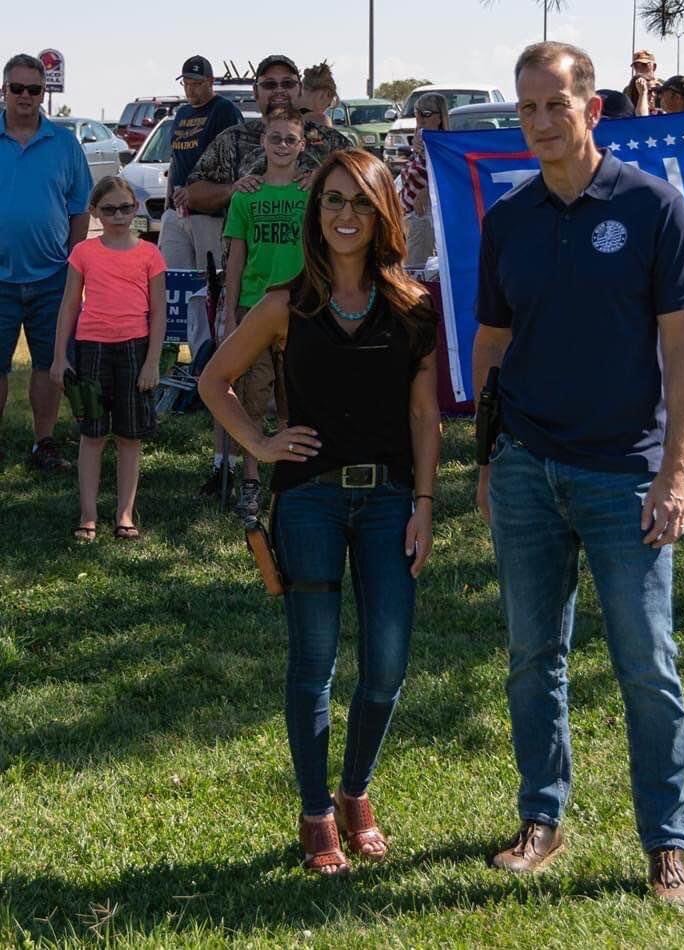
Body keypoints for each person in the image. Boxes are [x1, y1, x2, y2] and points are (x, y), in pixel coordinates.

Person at [474, 41, 684, 904]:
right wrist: (488, 459)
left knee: (647, 664)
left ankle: (667, 843)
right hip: (527, 468)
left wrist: (676, 473)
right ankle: (542, 817)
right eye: (527, 108)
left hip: (625, 475)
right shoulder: (509, 219)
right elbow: (491, 344)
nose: (540, 123)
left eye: (556, 106)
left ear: (593, 108)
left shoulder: (652, 206)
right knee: (532, 657)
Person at [198, 148, 440, 876]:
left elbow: (424, 414)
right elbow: (214, 380)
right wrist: (262, 444)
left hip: (391, 499)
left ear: (383, 212)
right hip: (307, 500)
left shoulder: (413, 305)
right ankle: (315, 812)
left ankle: (354, 791)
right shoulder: (285, 304)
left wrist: (425, 502)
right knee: (313, 663)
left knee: (387, 665)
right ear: (316, 212)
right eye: (333, 200)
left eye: (360, 201)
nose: (345, 214)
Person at [186, 54, 350, 496]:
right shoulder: (234, 140)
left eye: (287, 83)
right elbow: (193, 191)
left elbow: (367, 185)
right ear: (256, 91)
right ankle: (236, 470)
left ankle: (305, 470)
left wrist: (325, 182)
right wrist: (231, 189)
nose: (278, 91)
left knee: (302, 391)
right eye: (269, 84)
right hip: (252, 296)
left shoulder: (331, 144)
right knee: (248, 390)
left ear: (300, 90)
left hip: (308, 299)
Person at [49, 177, 166, 541]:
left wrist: (152, 361)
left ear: (136, 208)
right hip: (92, 349)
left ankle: (125, 514)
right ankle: (88, 515)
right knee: (93, 434)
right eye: (109, 209)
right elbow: (69, 306)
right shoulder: (83, 253)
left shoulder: (150, 254)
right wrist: (59, 357)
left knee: (130, 437)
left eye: (125, 208)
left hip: (135, 349)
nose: (118, 216)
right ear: (94, 212)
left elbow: (158, 312)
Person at [0, 53, 92, 471]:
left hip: (52, 276)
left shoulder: (64, 144)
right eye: (17, 88)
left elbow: (79, 208)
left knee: (48, 364)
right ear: (4, 90)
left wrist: (74, 264)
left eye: (33, 89)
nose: (25, 95)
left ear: (43, 93)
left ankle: (44, 443)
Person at [222, 106, 309, 521]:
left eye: (291, 139)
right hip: (254, 306)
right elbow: (236, 259)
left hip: (301, 307)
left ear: (302, 145)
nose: (282, 146)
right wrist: (229, 313)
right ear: (263, 141)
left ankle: (293, 477)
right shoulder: (246, 195)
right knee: (252, 397)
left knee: (296, 395)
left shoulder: (311, 193)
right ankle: (251, 479)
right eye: (275, 138)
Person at [159, 55, 242, 354]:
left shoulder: (224, 110)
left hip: (209, 213)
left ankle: (213, 353)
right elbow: (175, 159)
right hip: (177, 212)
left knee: (210, 285)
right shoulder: (181, 114)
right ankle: (181, 353)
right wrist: (169, 202)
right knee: (174, 283)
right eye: (186, 83)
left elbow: (233, 159)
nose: (191, 89)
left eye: (197, 83)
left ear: (210, 81)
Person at [399, 93, 449, 268]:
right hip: (409, 218)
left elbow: (445, 176)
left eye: (426, 114)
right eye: (417, 113)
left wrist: (427, 190)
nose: (419, 118)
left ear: (440, 117)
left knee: (414, 271)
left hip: (422, 219)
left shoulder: (443, 146)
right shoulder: (421, 140)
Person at [298, 62, 338, 132]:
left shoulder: (285, 112)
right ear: (324, 94)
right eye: (328, 105)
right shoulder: (321, 120)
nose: (324, 110)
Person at [623, 48, 657, 113]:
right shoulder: (628, 89)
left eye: (644, 65)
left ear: (654, 67)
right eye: (636, 66)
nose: (640, 68)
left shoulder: (662, 87)